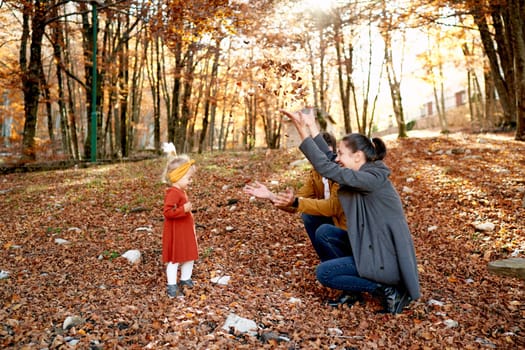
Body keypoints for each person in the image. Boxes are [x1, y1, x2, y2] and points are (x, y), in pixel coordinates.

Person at [279, 108, 420, 314]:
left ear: (357, 156)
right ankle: (353, 291)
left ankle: (389, 290)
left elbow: (327, 167)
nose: (338, 158)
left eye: (342, 154)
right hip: (369, 248)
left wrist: (302, 129)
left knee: (325, 274)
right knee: (325, 233)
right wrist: (312, 126)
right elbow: (329, 159)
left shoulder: (370, 179)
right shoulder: (363, 173)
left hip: (384, 260)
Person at [243, 132, 348, 259]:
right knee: (309, 216)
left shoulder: (342, 175)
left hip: (348, 230)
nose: (322, 161)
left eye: (326, 156)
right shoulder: (315, 175)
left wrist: (297, 202)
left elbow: (332, 207)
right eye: (318, 157)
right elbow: (293, 203)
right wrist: (271, 196)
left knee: (322, 228)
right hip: (333, 223)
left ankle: (341, 262)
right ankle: (327, 260)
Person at [162, 153, 198, 298]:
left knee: (189, 256)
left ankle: (185, 279)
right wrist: (183, 209)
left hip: (184, 231)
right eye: (188, 178)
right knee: (175, 259)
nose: (190, 181)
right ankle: (171, 285)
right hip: (176, 233)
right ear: (178, 177)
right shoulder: (173, 193)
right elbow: (167, 212)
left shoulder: (181, 191)